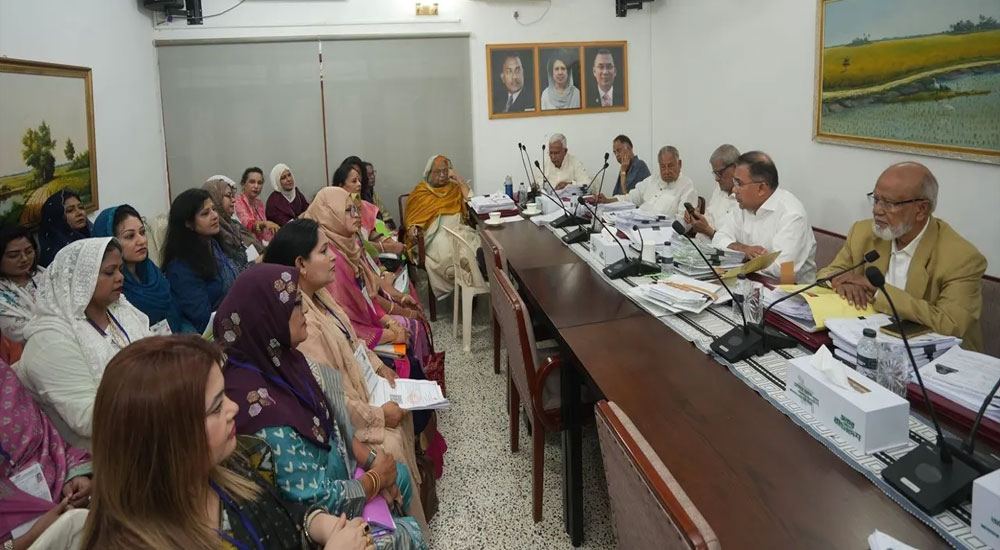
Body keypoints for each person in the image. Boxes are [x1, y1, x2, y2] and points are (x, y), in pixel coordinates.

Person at [81, 335, 375, 550]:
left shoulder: (231, 466)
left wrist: (319, 525)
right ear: (169, 439)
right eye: (216, 407)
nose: (234, 408)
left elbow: (285, 516)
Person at [214, 266, 427, 549]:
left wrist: (374, 462)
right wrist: (375, 481)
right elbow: (315, 500)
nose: (305, 309)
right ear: (267, 318)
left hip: (337, 474)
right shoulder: (261, 412)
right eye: (294, 304)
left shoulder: (286, 361)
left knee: (398, 475)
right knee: (406, 532)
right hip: (320, 519)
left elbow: (335, 425)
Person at [264, 220, 429, 534]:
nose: (333, 258)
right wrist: (379, 416)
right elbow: (332, 399)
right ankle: (408, 525)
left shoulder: (320, 296)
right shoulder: (301, 323)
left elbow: (353, 340)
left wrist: (378, 367)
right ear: (300, 265)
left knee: (402, 391)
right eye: (324, 251)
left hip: (365, 391)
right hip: (351, 420)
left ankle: (414, 511)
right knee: (391, 442)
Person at [819, 162, 987, 351]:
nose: (877, 210)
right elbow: (827, 273)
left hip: (934, 358)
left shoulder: (962, 258)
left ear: (921, 210)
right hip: (866, 343)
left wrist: (878, 292)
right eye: (876, 199)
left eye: (889, 203)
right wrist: (843, 283)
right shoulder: (863, 232)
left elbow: (950, 324)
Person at [15, 238, 153, 448]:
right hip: (103, 449)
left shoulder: (120, 309)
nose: (120, 277)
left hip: (146, 420)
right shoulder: (49, 340)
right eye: (109, 272)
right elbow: (89, 419)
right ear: (80, 279)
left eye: (120, 269)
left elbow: (157, 355)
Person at [305, 188, 429, 362]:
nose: (357, 215)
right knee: (411, 328)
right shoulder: (333, 258)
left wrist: (393, 315)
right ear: (331, 215)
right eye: (348, 210)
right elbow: (345, 319)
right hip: (352, 334)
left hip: (369, 315)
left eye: (356, 209)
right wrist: (392, 331)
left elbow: (367, 289)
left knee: (410, 320)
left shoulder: (350, 243)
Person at [0, 356, 92, 550]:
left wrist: (74, 477)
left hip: (71, 510)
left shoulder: (3, 380)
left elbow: (47, 440)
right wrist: (32, 537)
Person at [711, 151, 817, 283]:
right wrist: (744, 250)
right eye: (734, 181)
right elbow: (718, 239)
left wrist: (739, 257)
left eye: (739, 183)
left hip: (789, 290)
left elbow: (783, 271)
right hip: (747, 283)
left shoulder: (792, 214)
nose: (734, 189)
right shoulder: (743, 206)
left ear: (761, 188)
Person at [93, 205, 184, 334]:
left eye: (142, 232)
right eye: (130, 236)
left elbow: (177, 314)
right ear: (109, 243)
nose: (141, 241)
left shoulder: (153, 273)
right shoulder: (111, 288)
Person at [403, 156, 486, 296]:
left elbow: (472, 200)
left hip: (459, 229)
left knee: (475, 245)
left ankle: (475, 280)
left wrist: (458, 179)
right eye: (437, 171)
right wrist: (412, 229)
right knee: (449, 250)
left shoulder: (454, 188)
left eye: (445, 171)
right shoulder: (420, 192)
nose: (442, 175)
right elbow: (412, 219)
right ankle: (471, 279)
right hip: (434, 235)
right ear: (429, 173)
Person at [162, 188, 238, 334]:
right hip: (214, 333)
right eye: (205, 213)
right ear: (188, 223)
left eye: (213, 209)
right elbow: (202, 320)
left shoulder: (214, 244)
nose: (215, 216)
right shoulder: (181, 266)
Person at [332, 164, 406, 257]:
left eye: (359, 180)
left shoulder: (362, 205)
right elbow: (357, 243)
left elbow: (371, 231)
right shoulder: (336, 210)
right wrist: (388, 247)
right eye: (354, 181)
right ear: (341, 186)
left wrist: (388, 241)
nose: (359, 184)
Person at [603, 145, 696, 218]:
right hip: (637, 226)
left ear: (679, 164)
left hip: (661, 233)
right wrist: (608, 200)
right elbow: (631, 197)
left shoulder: (686, 187)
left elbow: (682, 223)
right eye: (663, 167)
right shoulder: (653, 179)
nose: (667, 171)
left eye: (670, 166)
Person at [203, 175, 263, 271]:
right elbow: (233, 273)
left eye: (233, 196)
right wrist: (261, 260)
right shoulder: (213, 231)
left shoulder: (233, 224)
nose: (234, 200)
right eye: (228, 196)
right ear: (216, 199)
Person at [685, 144, 741, 242]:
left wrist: (707, 230)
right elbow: (709, 220)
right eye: (715, 173)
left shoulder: (744, 198)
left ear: (735, 167)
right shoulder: (719, 189)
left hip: (717, 249)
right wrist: (696, 218)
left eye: (720, 173)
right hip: (698, 243)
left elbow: (735, 245)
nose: (717, 179)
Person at [0, 225, 45, 343]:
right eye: (13, 255)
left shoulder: (46, 275)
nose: (24, 258)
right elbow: (23, 333)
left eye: (29, 251)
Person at [38, 189, 92, 267]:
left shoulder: (93, 233)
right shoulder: (56, 256)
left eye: (81, 207)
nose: (79, 213)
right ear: (57, 217)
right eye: (70, 210)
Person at [234, 166, 280, 244]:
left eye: (259, 183)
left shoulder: (259, 203)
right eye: (252, 182)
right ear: (243, 184)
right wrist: (264, 223)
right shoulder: (237, 201)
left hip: (261, 244)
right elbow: (246, 223)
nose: (256, 186)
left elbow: (265, 231)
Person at [364, 162, 396, 230]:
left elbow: (385, 215)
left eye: (373, 173)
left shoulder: (374, 195)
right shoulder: (361, 198)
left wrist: (388, 224)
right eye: (369, 175)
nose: (373, 177)